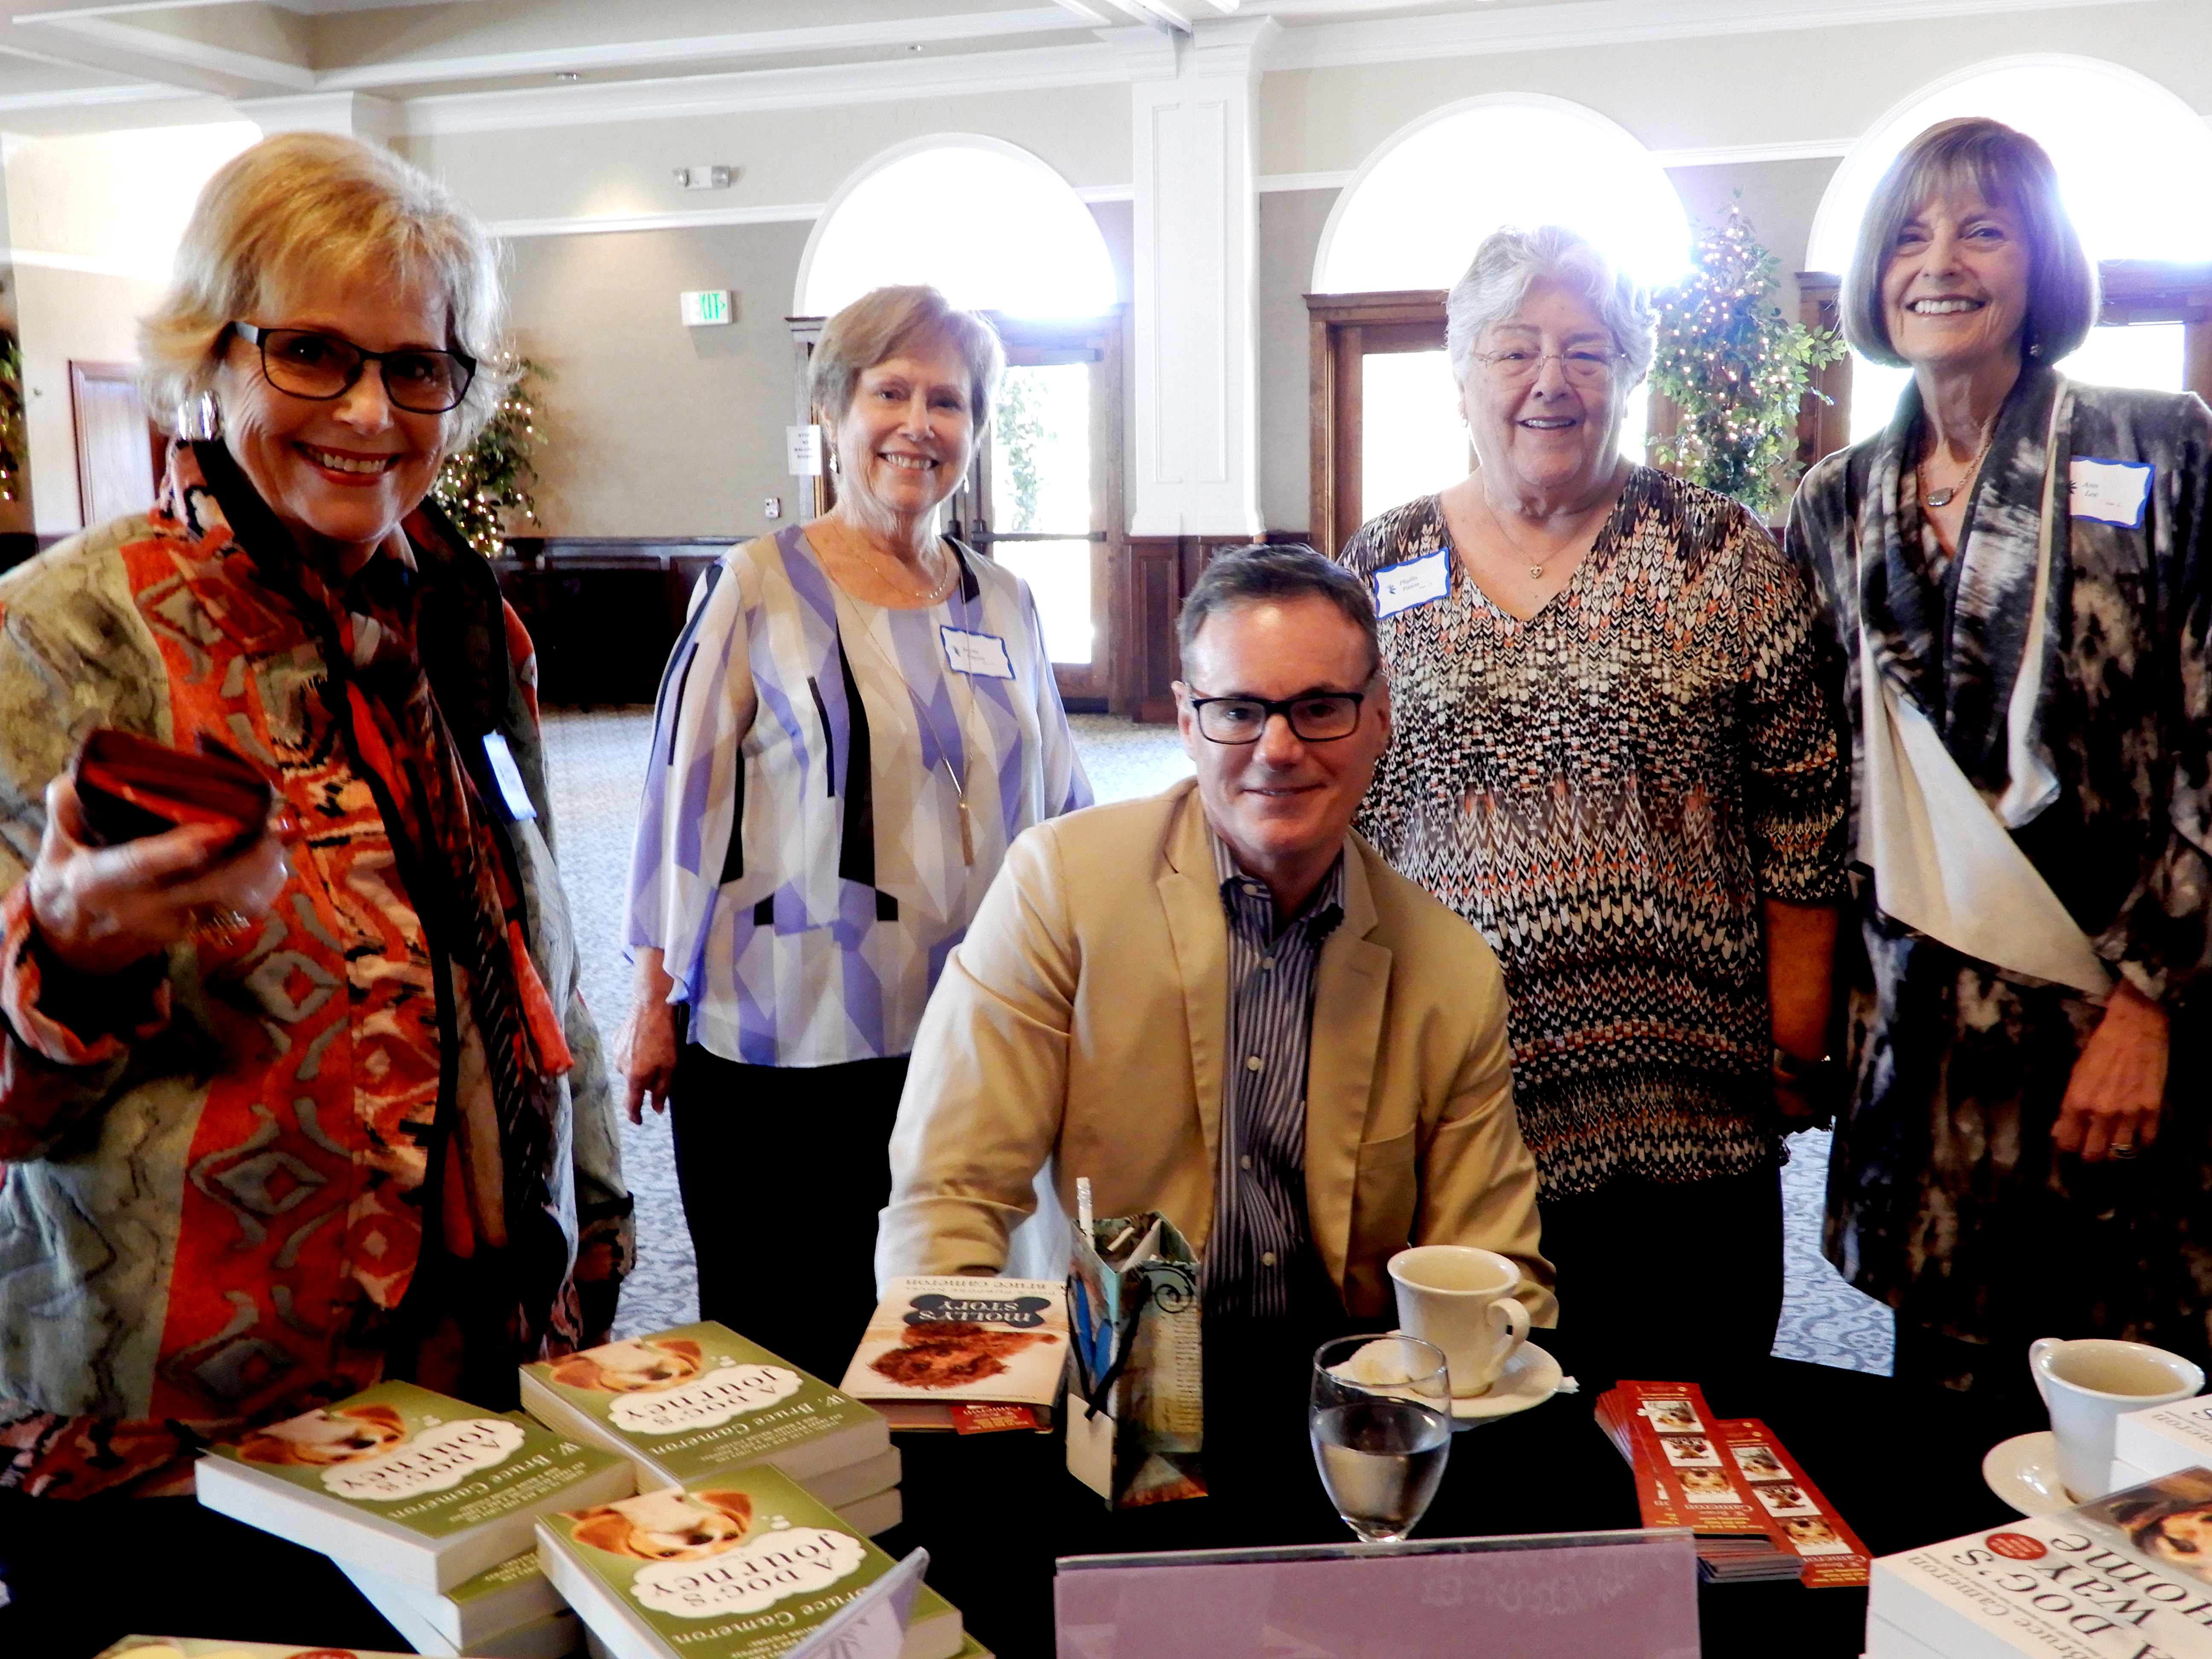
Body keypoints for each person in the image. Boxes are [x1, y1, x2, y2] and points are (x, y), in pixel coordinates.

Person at [0, 131, 627, 1631]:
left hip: (464, 1387)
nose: (368, 412)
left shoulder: (459, 619)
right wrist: (68, 960)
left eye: (418, 369)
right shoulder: (60, 638)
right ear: (209, 352)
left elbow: (528, 947)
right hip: (179, 1449)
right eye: (311, 355)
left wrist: (597, 1215)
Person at [1336, 225, 1848, 1373]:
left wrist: (1799, 1029)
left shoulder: (1721, 555)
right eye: (1514, 351)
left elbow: (1803, 814)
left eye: (1587, 351)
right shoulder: (1381, 563)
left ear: (1629, 374)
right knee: (1480, 1427)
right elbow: (1343, 812)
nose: (1549, 383)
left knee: (1694, 1435)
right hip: (1457, 1102)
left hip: (1688, 1103)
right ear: (1462, 374)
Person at [1785, 117, 2212, 1400]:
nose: (1941, 261)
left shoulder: (2163, 448)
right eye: (1910, 233)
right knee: (1940, 1435)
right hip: (1923, 1053)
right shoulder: (1835, 501)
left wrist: (2151, 1001)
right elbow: (1811, 779)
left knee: (2130, 1439)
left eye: (1984, 228)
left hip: (2115, 1022)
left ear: (2043, 262)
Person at [876, 544, 1554, 1340]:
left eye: (1320, 708)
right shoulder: (1059, 888)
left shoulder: (1449, 970)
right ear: (1188, 721)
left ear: (1379, 719)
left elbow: (1501, 1271)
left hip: (1334, 1385)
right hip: (1105, 1381)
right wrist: (969, 1395)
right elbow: (950, 1195)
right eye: (1237, 711)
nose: (1277, 749)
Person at [622, 285, 1089, 1380]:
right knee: (796, 1352)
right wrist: (653, 998)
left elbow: (1062, 811)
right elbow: (676, 805)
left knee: (957, 1355)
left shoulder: (1008, 603)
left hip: (976, 1037)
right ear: (834, 410)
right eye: (892, 392)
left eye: (949, 401)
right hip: (792, 1049)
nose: (919, 424)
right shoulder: (756, 586)